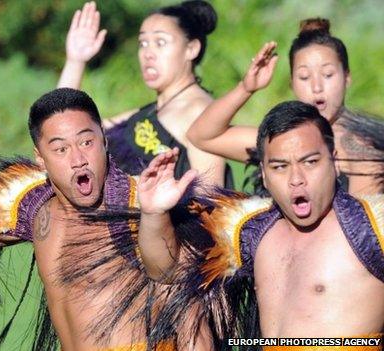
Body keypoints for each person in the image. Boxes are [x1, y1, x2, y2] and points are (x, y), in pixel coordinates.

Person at [0, 88, 212, 350]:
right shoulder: (36, 210)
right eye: (61, 149)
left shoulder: (139, 207)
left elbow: (188, 309)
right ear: (40, 158)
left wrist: (155, 215)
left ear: (104, 139)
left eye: (86, 142)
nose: (78, 159)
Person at [135, 100, 384, 346]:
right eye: (280, 166)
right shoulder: (251, 230)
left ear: (335, 161)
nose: (296, 179)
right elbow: (166, 271)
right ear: (264, 174)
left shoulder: (372, 226)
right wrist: (154, 214)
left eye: (310, 162)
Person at [187, 19, 384, 196]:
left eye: (328, 74)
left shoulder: (361, 149)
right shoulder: (280, 140)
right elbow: (202, 136)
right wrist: (245, 88)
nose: (317, 87)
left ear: (347, 77)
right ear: (292, 84)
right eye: (304, 77)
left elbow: (362, 227)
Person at [57, 1, 231, 187]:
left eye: (160, 42)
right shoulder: (150, 112)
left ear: (191, 49)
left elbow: (210, 200)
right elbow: (67, 131)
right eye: (143, 43)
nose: (148, 53)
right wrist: (75, 61)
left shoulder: (199, 111)